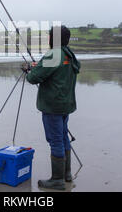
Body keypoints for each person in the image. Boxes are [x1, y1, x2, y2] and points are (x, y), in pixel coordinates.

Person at [22, 25, 80, 190]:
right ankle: (66, 174)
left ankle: (57, 180)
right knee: (62, 138)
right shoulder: (68, 53)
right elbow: (54, 70)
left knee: (56, 141)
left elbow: (33, 78)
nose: (47, 39)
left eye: (49, 36)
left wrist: (29, 70)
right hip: (65, 104)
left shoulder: (54, 54)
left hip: (53, 106)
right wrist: (38, 66)